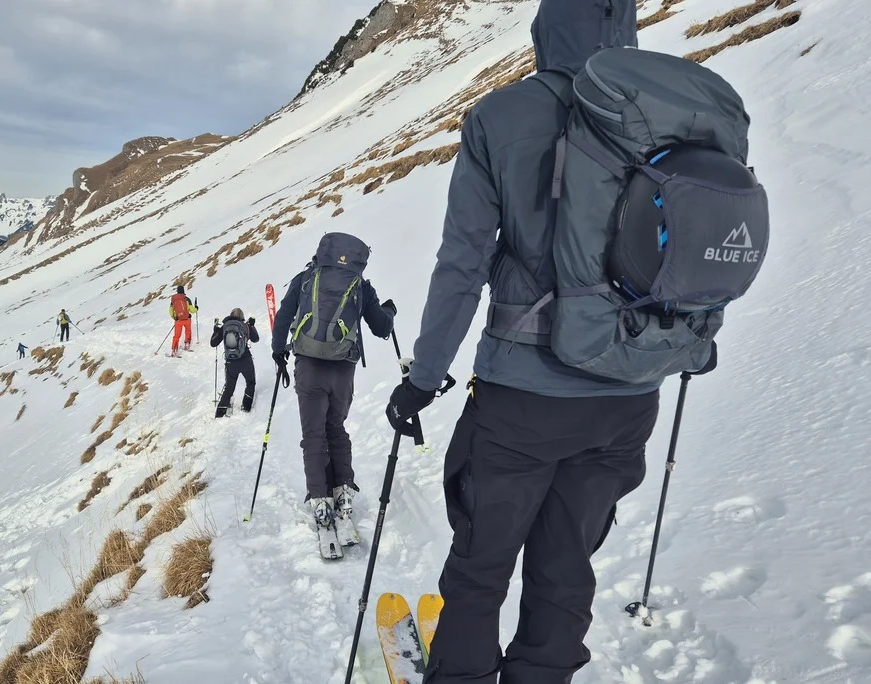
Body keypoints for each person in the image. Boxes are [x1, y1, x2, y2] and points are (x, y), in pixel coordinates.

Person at [382, 2, 719, 682]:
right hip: (629, 397)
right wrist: (690, 341)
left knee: (482, 565)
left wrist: (424, 378)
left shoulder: (504, 117)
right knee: (567, 565)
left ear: (545, 31)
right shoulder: (674, 110)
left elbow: (462, 265)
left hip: (523, 397)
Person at [271, 232, 394, 530]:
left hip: (309, 366)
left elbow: (284, 316)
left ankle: (320, 500)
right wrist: (389, 311)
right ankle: (343, 493)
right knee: (336, 428)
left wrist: (278, 352)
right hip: (342, 369)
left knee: (313, 434)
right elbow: (380, 327)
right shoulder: (360, 287)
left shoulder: (305, 278)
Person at [209, 308, 259, 417]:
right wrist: (251, 325)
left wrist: (216, 331)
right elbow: (256, 339)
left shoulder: (225, 326)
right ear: (242, 316)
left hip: (231, 362)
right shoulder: (245, 326)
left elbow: (213, 343)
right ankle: (246, 407)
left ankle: (220, 413)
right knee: (250, 382)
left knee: (229, 387)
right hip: (246, 360)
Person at [167, 285, 197, 357]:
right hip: (187, 319)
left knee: (177, 336)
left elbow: (170, 310)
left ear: (177, 291)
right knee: (188, 331)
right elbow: (192, 310)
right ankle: (187, 344)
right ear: (183, 291)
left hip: (178, 320)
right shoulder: (186, 299)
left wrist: (175, 317)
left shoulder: (174, 299)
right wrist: (196, 308)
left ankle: (174, 350)